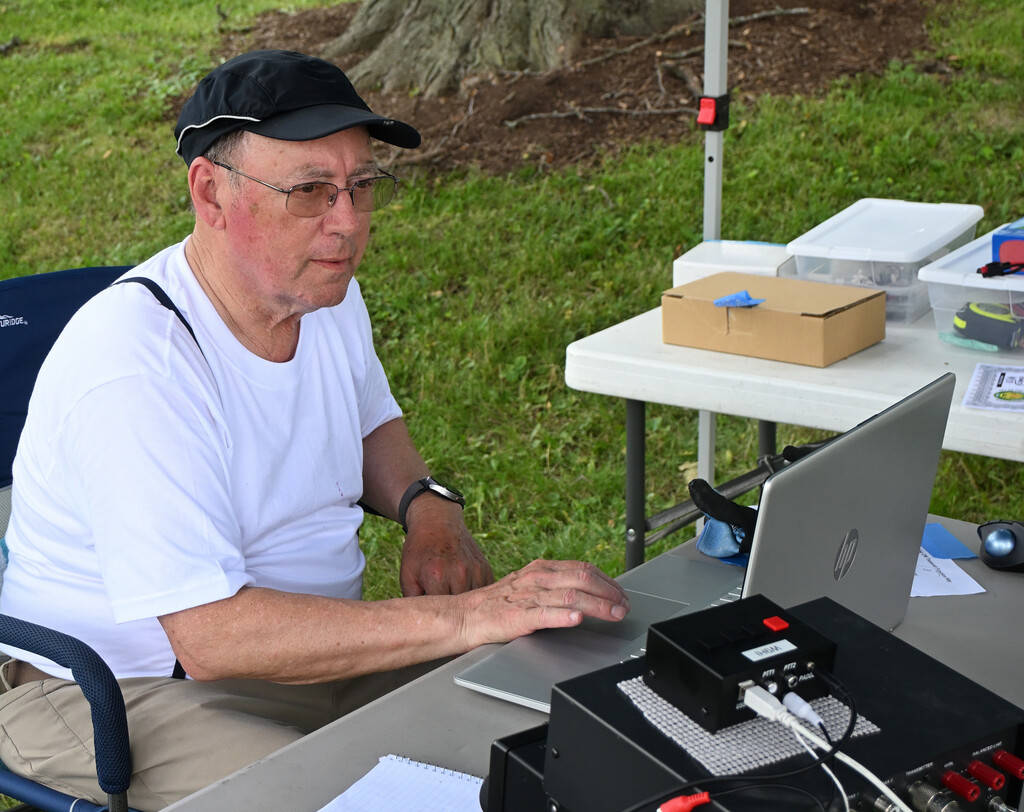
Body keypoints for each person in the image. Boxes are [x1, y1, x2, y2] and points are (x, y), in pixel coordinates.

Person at [0, 49, 629, 810]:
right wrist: (464, 615)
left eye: (362, 186)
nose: (348, 223)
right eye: (310, 192)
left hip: (314, 657)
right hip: (123, 688)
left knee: (562, 718)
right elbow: (210, 637)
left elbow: (371, 426)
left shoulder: (319, 293)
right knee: (376, 802)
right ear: (210, 192)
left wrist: (428, 509)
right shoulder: (136, 362)